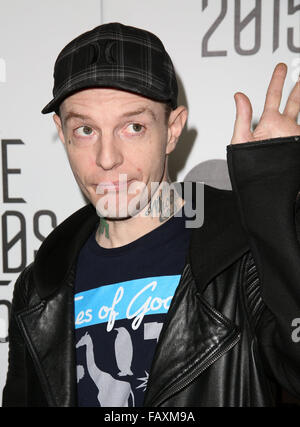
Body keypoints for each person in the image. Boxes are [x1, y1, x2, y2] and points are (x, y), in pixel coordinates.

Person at [2, 22, 300, 407]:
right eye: (86, 130)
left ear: (172, 130)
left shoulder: (242, 255)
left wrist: (270, 204)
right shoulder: (40, 287)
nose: (107, 159)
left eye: (134, 126)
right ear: (62, 133)